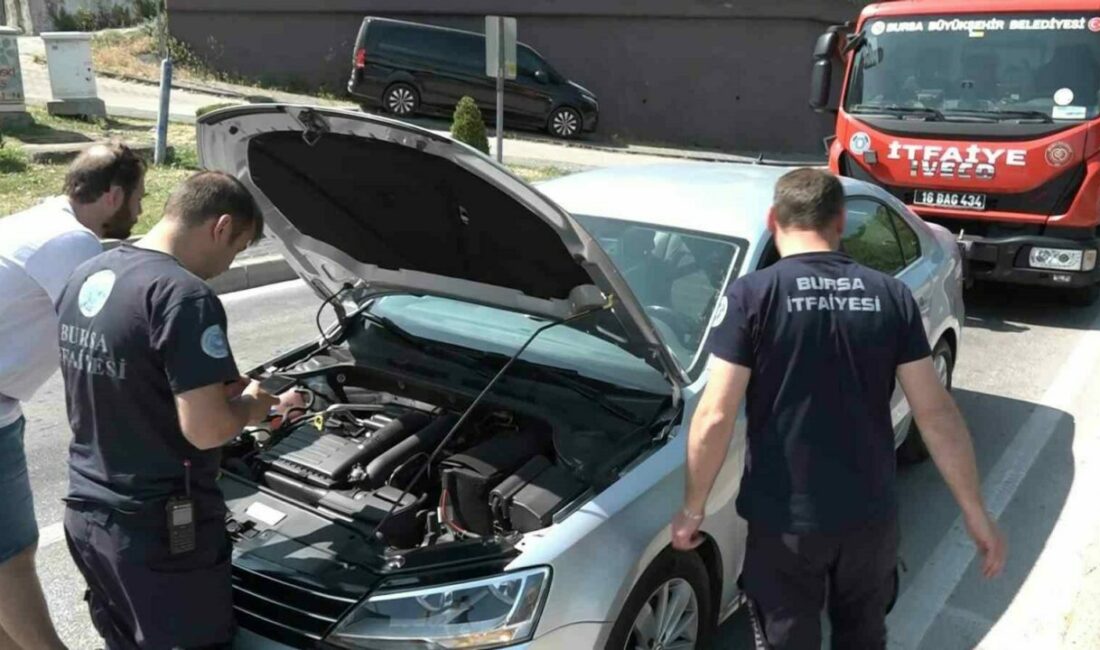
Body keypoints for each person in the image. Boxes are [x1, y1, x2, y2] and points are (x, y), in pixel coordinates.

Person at [669, 169, 1007, 649]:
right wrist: (976, 513)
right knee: (863, 638)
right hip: (869, 521)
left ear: (774, 219)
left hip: (785, 523)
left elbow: (716, 415)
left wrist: (692, 508)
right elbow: (936, 414)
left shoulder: (753, 297)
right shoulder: (891, 296)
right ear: (841, 223)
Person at [56, 171, 298, 649]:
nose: (227, 265)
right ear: (222, 226)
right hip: (157, 528)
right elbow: (207, 431)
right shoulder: (183, 295)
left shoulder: (93, 274)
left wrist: (213, 385)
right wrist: (254, 406)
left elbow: (130, 372)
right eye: (237, 248)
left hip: (90, 510)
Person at [0, 142, 146, 650]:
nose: (141, 211)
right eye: (139, 198)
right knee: (11, 555)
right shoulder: (72, 244)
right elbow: (100, 338)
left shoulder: (33, 221)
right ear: (113, 195)